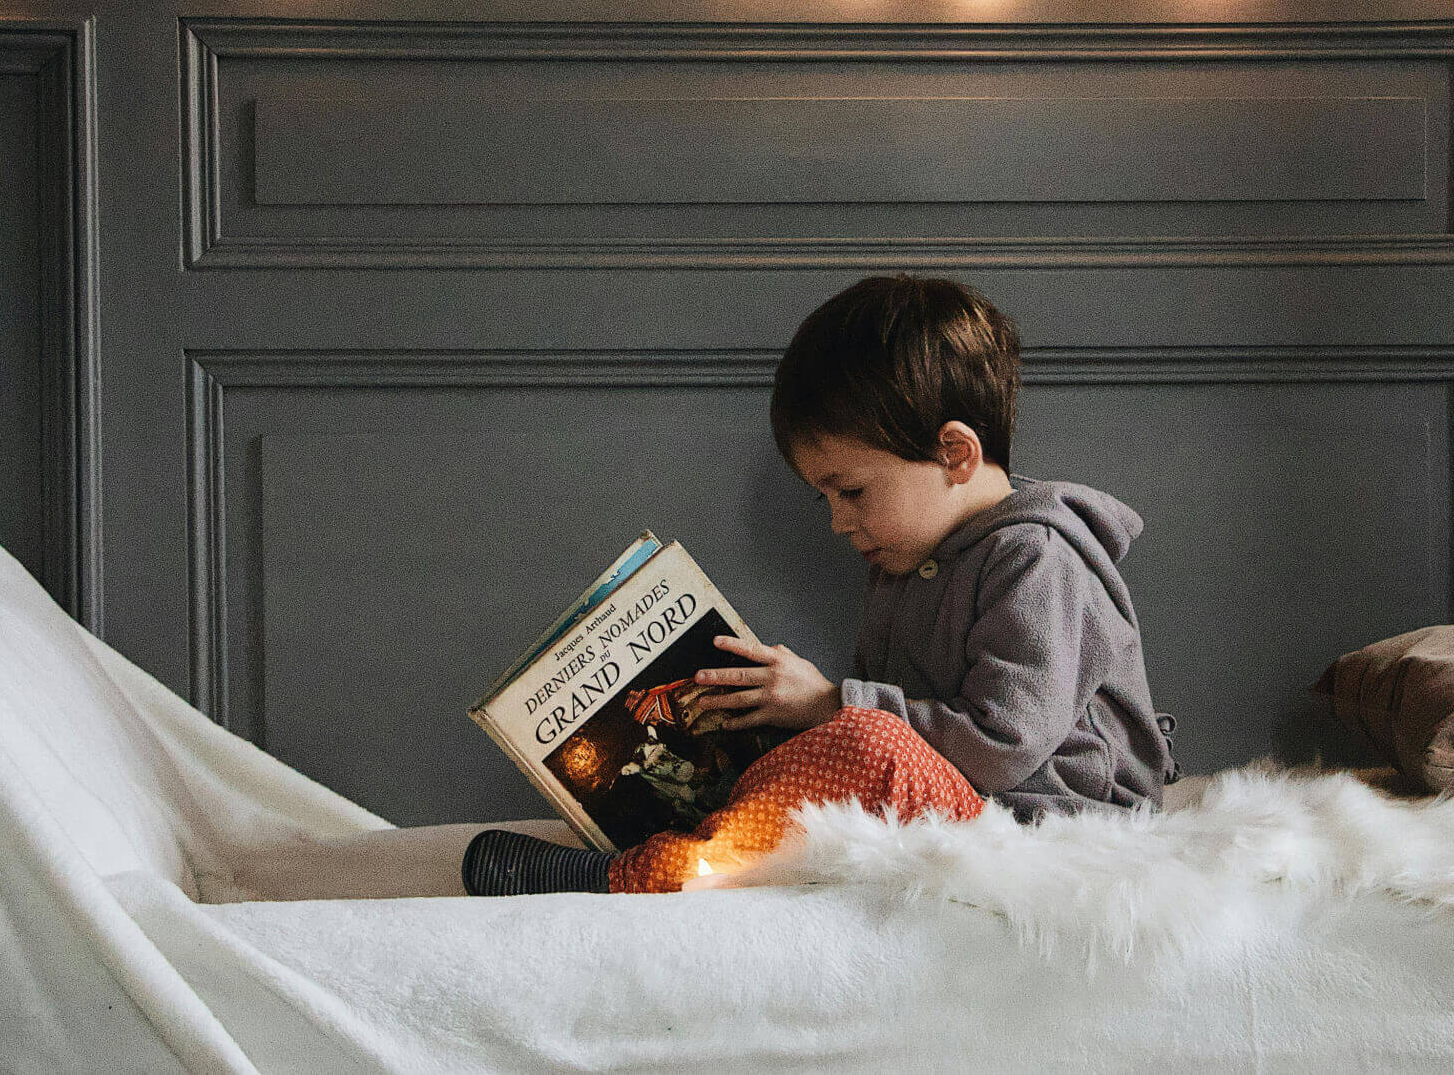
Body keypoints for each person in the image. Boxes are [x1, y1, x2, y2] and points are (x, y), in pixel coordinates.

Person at [463, 274, 1176, 897]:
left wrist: (833, 704)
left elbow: (1001, 745)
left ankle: (632, 878)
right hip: (963, 809)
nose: (839, 522)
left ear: (955, 454)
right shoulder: (903, 560)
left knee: (866, 746)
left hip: (1049, 831)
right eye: (824, 499)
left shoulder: (1038, 558)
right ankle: (674, 840)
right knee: (788, 735)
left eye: (853, 491)